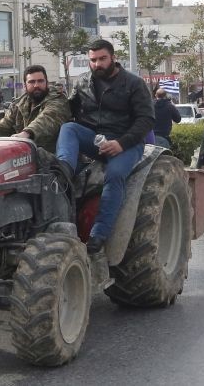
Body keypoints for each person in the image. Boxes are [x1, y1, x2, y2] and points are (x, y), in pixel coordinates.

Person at [56, 40, 154, 254]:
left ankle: (98, 234)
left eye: (102, 59)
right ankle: (63, 171)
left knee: (115, 174)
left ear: (113, 58)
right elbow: (67, 109)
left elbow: (146, 120)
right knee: (69, 128)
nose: (97, 64)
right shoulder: (82, 82)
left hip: (126, 142)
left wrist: (121, 143)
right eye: (93, 60)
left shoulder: (134, 84)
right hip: (94, 138)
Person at [0, 65, 70, 153]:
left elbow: (48, 117)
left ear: (46, 83)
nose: (36, 85)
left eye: (40, 81)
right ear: (25, 85)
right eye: (32, 82)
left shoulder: (58, 99)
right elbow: (2, 127)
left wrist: (26, 134)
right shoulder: (18, 105)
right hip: (25, 157)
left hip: (54, 159)